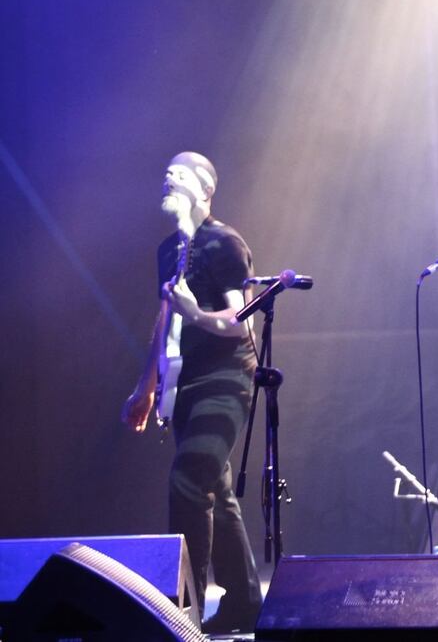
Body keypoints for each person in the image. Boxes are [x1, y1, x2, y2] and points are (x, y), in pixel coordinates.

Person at [121, 151, 263, 634]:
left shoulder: (225, 243)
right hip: (187, 382)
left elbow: (241, 325)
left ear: (205, 190)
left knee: (188, 479)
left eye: (178, 175)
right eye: (165, 174)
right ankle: (245, 605)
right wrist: (147, 385)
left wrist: (196, 313)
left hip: (225, 379)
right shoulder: (168, 250)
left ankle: (183, 612)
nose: (167, 179)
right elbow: (166, 317)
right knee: (215, 492)